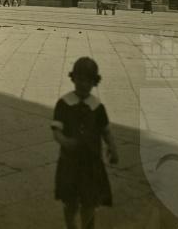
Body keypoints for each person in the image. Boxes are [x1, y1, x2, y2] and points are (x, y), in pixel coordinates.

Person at [51, 57, 118, 229]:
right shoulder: (64, 103)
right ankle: (71, 225)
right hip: (70, 163)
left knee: (89, 202)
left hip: (91, 164)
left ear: (94, 82)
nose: (83, 84)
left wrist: (113, 148)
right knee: (70, 202)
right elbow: (56, 130)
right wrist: (65, 141)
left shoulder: (97, 107)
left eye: (88, 81)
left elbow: (106, 131)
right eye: (80, 79)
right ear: (73, 79)